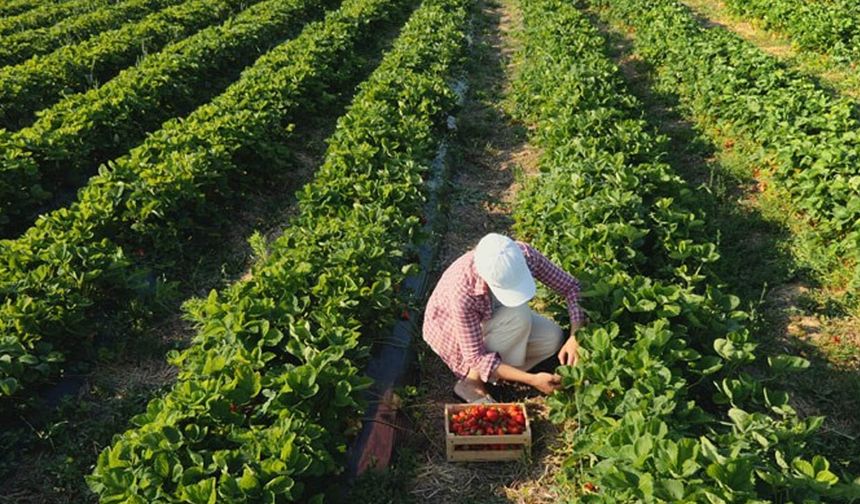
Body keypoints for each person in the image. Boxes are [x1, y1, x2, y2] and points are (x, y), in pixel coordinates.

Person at [423, 233, 586, 403]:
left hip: (497, 314)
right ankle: (472, 382)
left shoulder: (524, 255)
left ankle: (500, 372)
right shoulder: (464, 290)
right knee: (519, 316)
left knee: (553, 338)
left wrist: (576, 336)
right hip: (451, 332)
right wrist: (531, 380)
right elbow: (475, 356)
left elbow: (572, 287)